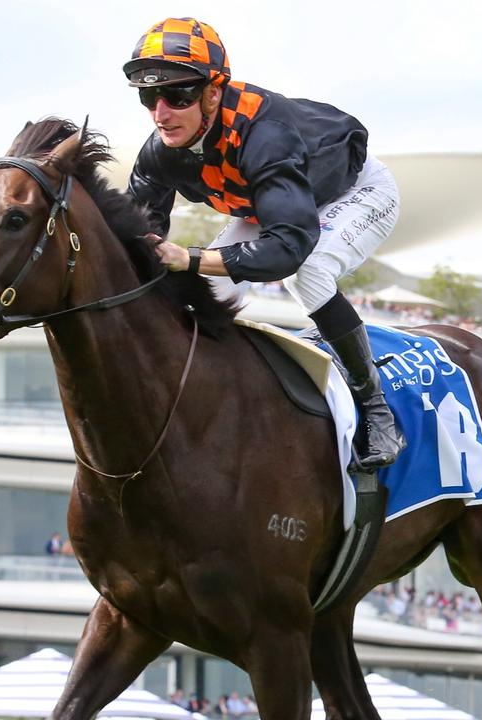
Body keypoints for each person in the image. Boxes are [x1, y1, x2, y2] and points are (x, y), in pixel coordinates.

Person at [123, 17, 405, 471]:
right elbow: (138, 231)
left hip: (355, 191)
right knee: (209, 295)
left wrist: (191, 258)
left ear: (213, 91)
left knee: (308, 273)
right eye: (148, 96)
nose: (161, 113)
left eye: (177, 95)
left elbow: (288, 249)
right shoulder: (159, 150)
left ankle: (375, 407)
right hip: (272, 206)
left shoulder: (264, 134)